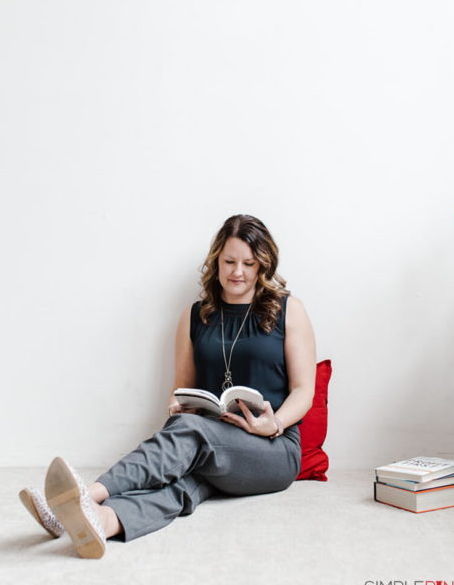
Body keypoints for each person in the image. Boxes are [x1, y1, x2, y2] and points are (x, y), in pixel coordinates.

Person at [19, 214, 316, 558]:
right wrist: (180, 405)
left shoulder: (289, 310)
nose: (238, 272)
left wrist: (274, 423)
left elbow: (303, 390)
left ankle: (87, 494)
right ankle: (103, 519)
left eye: (248, 263)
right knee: (185, 476)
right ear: (216, 260)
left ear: (262, 265)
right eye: (229, 261)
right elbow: (182, 390)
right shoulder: (195, 316)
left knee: (190, 432)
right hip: (210, 444)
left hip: (273, 451)